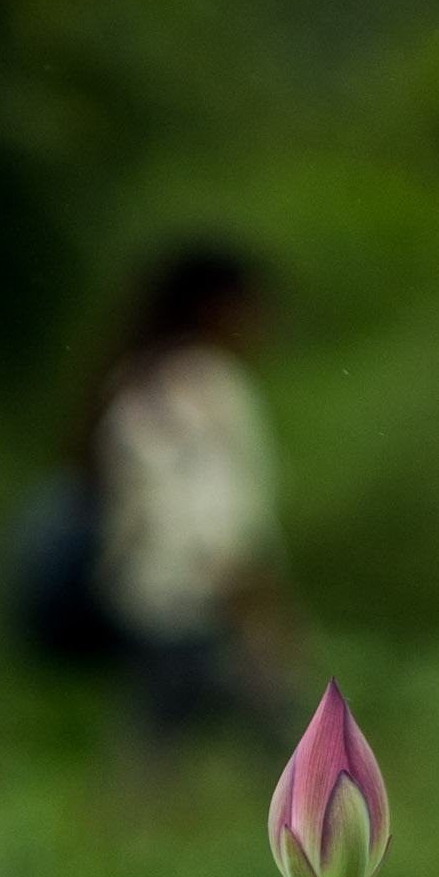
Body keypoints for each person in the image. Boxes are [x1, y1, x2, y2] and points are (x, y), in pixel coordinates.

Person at [87, 240, 293, 754]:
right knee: (273, 730)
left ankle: (137, 824)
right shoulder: (209, 385)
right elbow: (210, 506)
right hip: (208, 587)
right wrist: (248, 585)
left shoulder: (136, 380)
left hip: (146, 589)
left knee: (160, 724)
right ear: (214, 307)